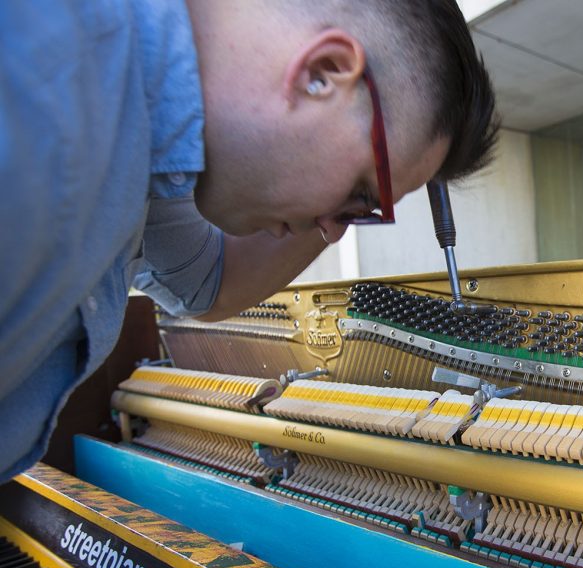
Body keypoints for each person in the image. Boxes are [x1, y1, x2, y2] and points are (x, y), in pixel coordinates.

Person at [0, 0, 499, 481]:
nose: (332, 228)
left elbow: (206, 281)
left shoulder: (149, 140)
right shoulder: (45, 79)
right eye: (360, 193)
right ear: (321, 73)